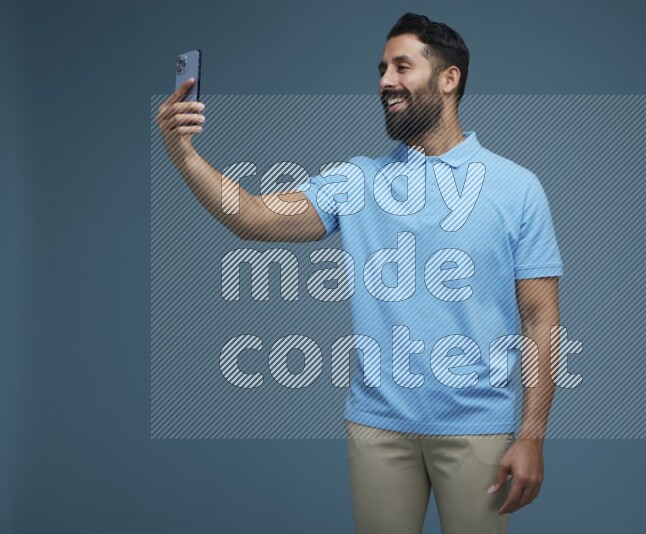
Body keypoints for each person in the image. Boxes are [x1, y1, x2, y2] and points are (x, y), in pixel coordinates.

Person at [157, 12, 562, 534]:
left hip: (479, 429)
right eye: (381, 69)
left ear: (448, 78)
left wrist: (530, 435)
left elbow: (540, 319)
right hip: (377, 428)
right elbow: (253, 215)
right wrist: (182, 152)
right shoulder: (356, 180)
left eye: (401, 67)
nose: (384, 82)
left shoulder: (516, 187)